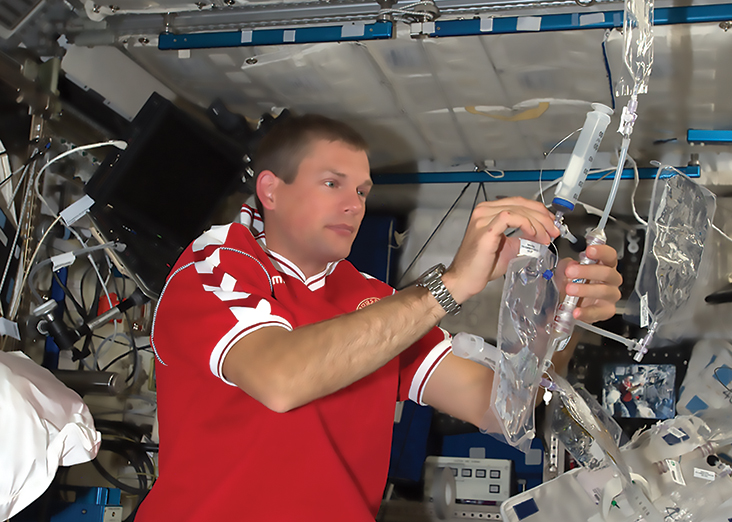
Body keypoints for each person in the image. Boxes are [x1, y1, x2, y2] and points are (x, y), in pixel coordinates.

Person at [135, 114, 623, 521]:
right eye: (332, 183)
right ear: (271, 190)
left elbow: (501, 408)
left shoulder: (370, 297)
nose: (354, 205)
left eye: (364, 191)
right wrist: (449, 285)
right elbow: (280, 379)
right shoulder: (217, 263)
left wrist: (560, 313)